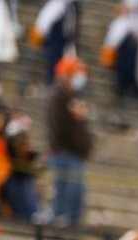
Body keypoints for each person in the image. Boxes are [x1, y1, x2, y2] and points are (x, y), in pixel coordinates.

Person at [45, 55, 92, 227]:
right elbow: (61, 126)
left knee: (76, 197)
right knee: (66, 195)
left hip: (74, 154)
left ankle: (72, 229)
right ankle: (62, 230)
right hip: (66, 153)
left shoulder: (71, 96)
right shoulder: (58, 95)